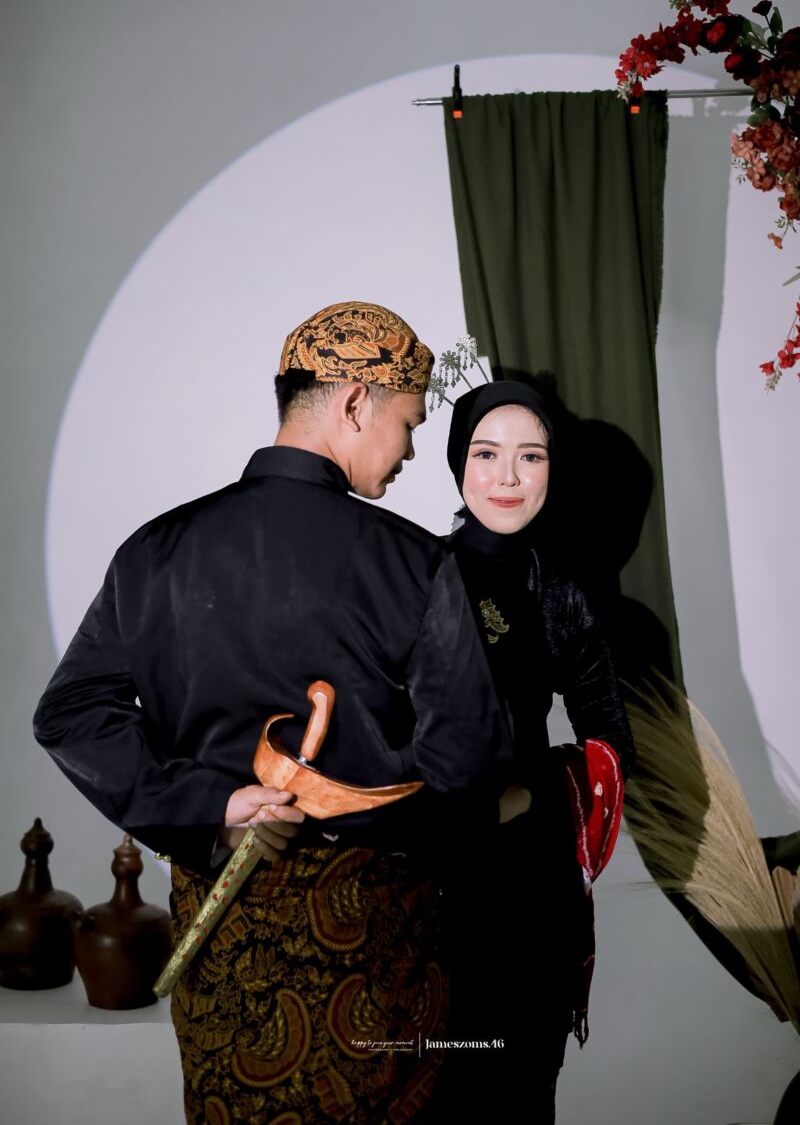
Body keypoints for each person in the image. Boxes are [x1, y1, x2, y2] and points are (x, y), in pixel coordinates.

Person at [33, 302, 512, 1125]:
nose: (408, 452)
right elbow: (465, 773)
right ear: (355, 402)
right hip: (378, 958)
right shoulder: (416, 565)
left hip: (223, 954)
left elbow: (70, 713)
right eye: (407, 424)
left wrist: (212, 806)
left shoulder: (155, 552)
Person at [437, 379, 635, 1124]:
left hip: (529, 884)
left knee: (522, 1094)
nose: (509, 477)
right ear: (458, 463)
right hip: (426, 876)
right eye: (487, 454)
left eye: (531, 456)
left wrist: (531, 793)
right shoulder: (412, 573)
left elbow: (610, 740)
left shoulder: (563, 592)